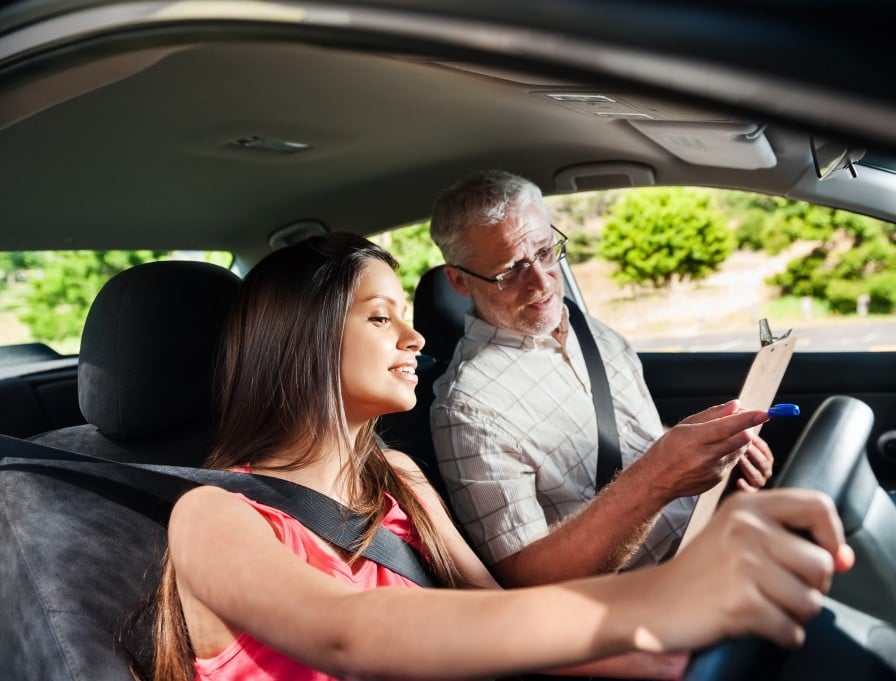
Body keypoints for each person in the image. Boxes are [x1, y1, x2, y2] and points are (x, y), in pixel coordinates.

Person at [148, 231, 854, 681]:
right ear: (299, 345)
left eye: (409, 315)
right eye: (379, 316)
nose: (416, 337)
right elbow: (348, 632)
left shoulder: (396, 476)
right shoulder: (211, 516)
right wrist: (663, 597)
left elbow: (497, 613)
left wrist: (656, 652)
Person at [429, 169, 775, 588]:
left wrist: (715, 451)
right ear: (459, 280)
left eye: (544, 251)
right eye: (510, 271)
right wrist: (658, 478)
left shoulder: (589, 330)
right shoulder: (467, 408)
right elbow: (526, 579)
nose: (541, 283)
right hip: (648, 597)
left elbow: (633, 437)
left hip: (717, 538)